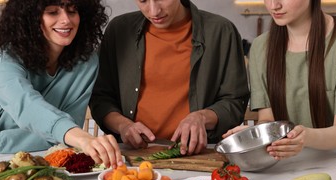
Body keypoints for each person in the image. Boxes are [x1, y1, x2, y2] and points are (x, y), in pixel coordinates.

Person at [0, 0, 123, 168]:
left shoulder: (86, 61)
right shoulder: (8, 58)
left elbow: (67, 135)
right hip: (0, 161)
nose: (66, 20)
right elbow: (28, 107)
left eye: (72, 11)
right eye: (53, 12)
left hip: (54, 161)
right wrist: (80, 138)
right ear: (31, 17)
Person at [89, 0, 249, 156]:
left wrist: (201, 117)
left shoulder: (221, 31)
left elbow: (235, 102)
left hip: (199, 155)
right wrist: (123, 125)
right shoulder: (119, 30)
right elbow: (100, 98)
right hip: (132, 155)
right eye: (143, 1)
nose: (153, 11)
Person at [223, 0, 336, 160]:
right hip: (285, 163)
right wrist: (253, 135)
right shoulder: (260, 47)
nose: (273, 6)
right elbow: (268, 119)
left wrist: (306, 137)